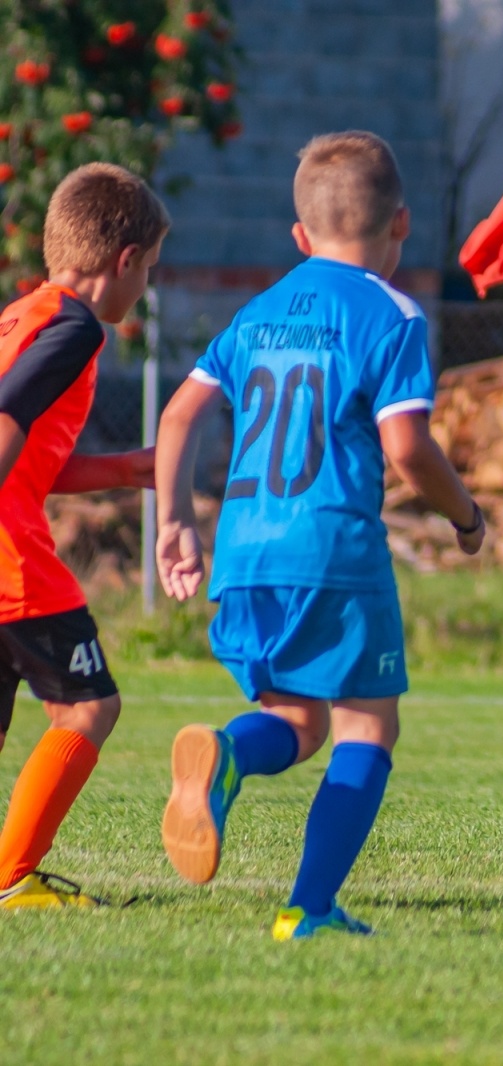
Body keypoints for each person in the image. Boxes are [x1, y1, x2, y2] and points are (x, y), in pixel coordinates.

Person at [155, 131, 485, 939]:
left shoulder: (257, 313)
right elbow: (406, 445)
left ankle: (230, 753)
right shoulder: (392, 316)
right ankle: (308, 908)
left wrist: (174, 521)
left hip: (243, 550)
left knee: (298, 722)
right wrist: (465, 514)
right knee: (367, 725)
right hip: (333, 547)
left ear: (300, 237)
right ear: (401, 225)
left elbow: (179, 413)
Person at [0, 163, 165, 908]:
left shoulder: (21, 314)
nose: (147, 288)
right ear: (124, 260)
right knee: (89, 707)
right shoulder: (73, 326)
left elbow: (32, 458)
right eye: (151, 270)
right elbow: (5, 421)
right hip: (14, 562)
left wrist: (130, 470)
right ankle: (9, 880)